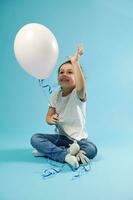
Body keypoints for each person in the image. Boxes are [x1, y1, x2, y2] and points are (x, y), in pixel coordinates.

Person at [31, 47, 97, 169]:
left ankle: (52, 153)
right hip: (62, 138)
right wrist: (51, 120)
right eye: (61, 72)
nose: (64, 74)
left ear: (77, 78)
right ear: (58, 77)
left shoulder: (78, 94)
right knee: (35, 138)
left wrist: (75, 62)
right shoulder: (55, 95)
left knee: (92, 149)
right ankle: (67, 156)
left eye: (70, 72)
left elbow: (82, 87)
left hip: (79, 141)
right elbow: (48, 117)